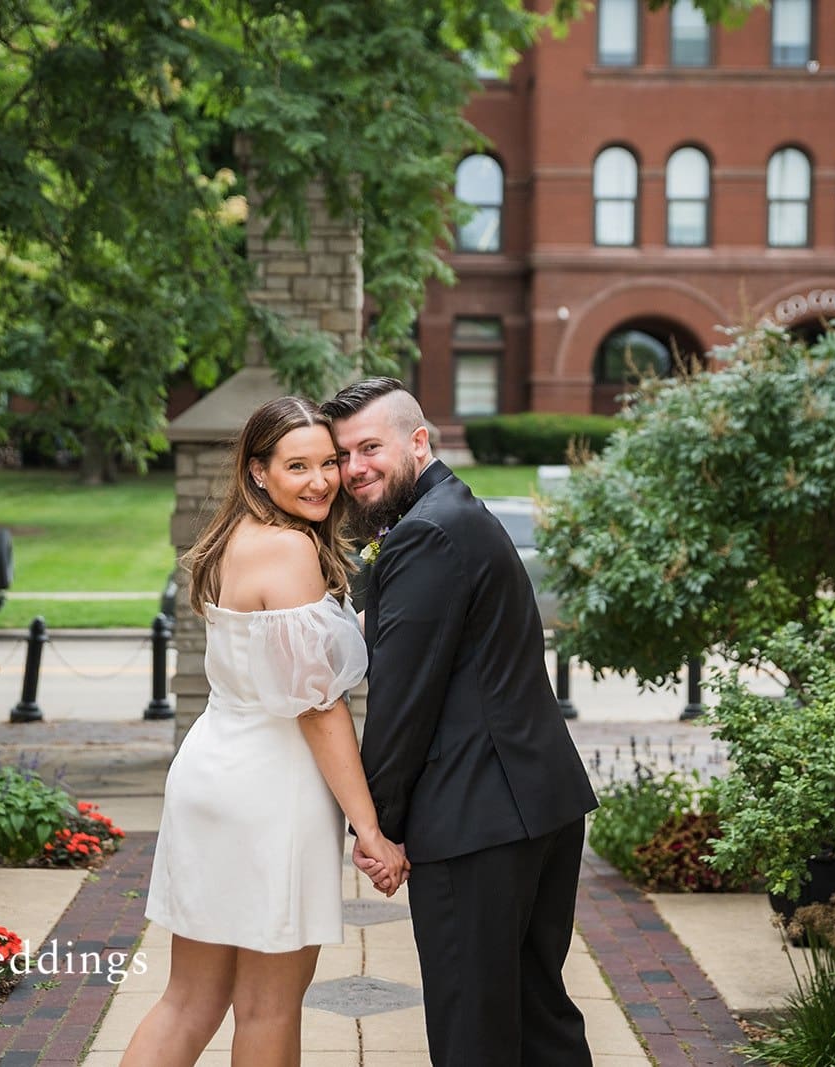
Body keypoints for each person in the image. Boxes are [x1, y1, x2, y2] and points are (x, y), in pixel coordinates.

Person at [322, 378, 600, 1067]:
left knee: (472, 1029)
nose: (353, 467)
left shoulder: (426, 534)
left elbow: (402, 699)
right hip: (539, 802)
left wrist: (377, 826)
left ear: (418, 441)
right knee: (539, 1014)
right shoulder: (453, 512)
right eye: (342, 454)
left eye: (368, 447)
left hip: (477, 817)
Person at [124, 396, 408, 1067]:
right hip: (270, 794)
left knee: (188, 1000)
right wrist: (368, 827)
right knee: (268, 1006)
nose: (320, 480)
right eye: (296, 465)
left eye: (328, 463)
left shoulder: (236, 540)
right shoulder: (288, 550)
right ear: (257, 471)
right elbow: (317, 707)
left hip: (214, 774)